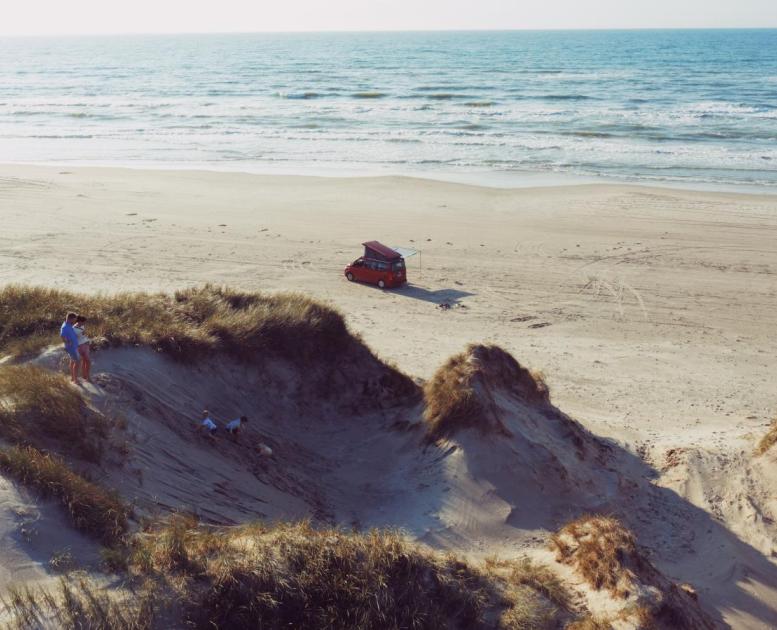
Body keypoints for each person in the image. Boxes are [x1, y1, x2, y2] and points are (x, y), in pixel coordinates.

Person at [59, 312, 81, 384]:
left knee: (72, 362)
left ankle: (72, 378)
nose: (75, 321)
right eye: (74, 320)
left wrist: (75, 336)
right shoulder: (65, 326)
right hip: (71, 348)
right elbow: (62, 336)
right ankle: (75, 380)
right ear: (69, 319)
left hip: (73, 346)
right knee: (77, 362)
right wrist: (68, 342)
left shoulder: (68, 324)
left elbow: (69, 333)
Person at [74, 315, 92, 382]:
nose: (85, 323)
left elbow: (83, 335)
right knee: (79, 362)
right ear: (79, 321)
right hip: (79, 346)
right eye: (84, 322)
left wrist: (87, 341)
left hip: (85, 345)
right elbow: (73, 339)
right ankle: (76, 379)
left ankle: (86, 376)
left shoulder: (82, 326)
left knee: (87, 361)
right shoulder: (74, 329)